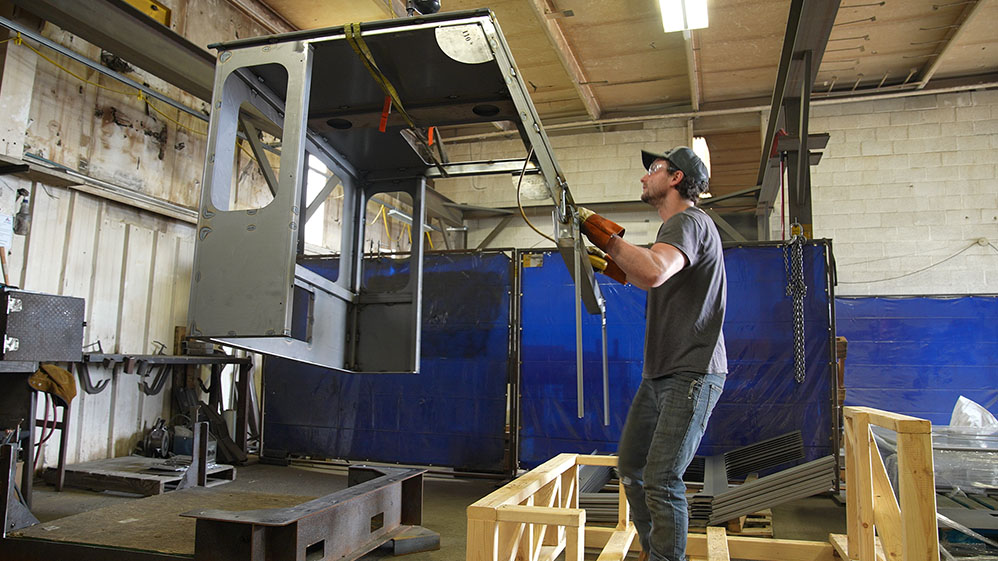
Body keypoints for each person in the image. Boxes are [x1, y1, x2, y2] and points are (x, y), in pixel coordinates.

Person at [578, 146, 727, 561]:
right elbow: (648, 274)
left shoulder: (689, 221)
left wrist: (598, 231)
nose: (645, 178)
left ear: (676, 178)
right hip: (661, 373)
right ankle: (655, 552)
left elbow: (653, 271)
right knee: (633, 468)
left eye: (653, 170)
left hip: (691, 372)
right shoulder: (676, 231)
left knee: (661, 479)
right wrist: (605, 259)